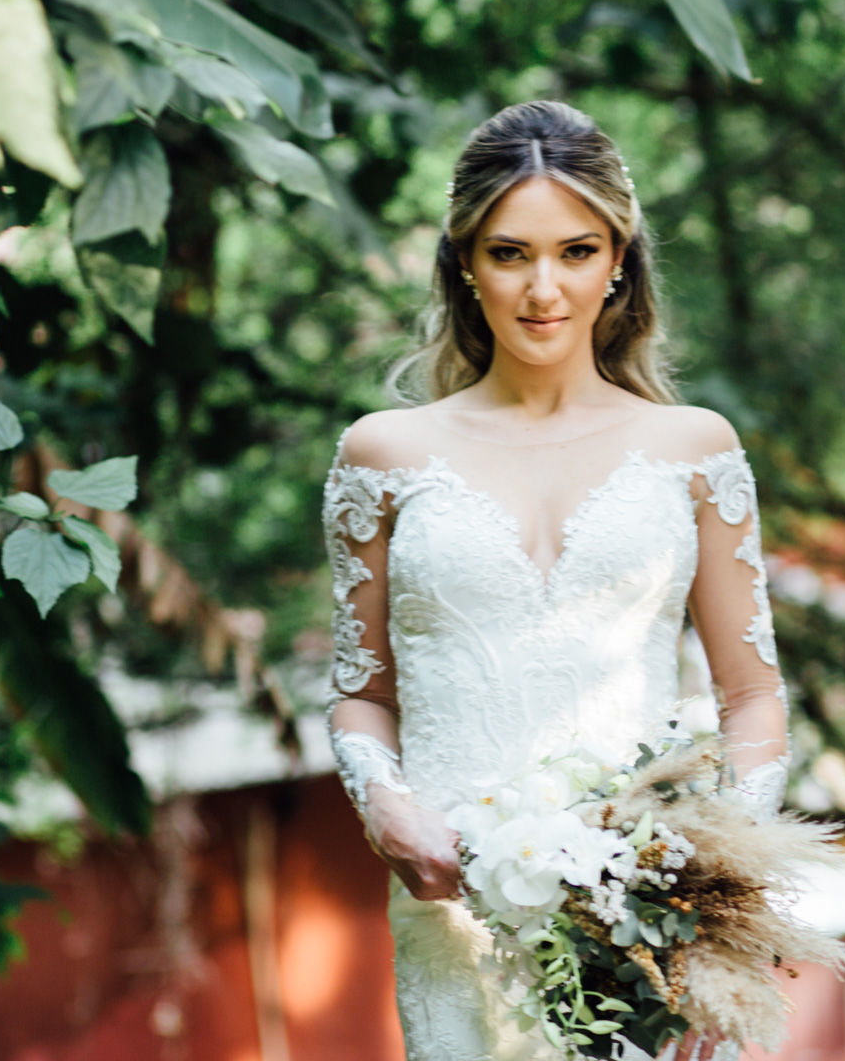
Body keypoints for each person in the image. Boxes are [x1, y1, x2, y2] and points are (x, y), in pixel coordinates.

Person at [321, 100, 789, 1061]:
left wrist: (712, 887)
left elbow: (752, 696)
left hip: (646, 925)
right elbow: (361, 696)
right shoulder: (384, 455)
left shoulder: (693, 449)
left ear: (619, 258)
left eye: (576, 252)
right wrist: (388, 809)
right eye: (509, 253)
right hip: (453, 914)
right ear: (463, 261)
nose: (544, 289)